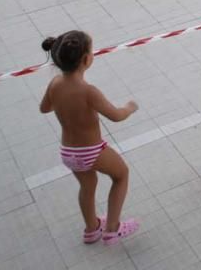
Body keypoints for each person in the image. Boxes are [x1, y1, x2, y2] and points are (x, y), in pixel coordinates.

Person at [39, 31, 139, 245]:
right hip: (91, 151)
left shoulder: (55, 84)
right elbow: (115, 116)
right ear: (86, 59)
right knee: (121, 175)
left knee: (88, 185)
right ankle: (112, 229)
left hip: (68, 152)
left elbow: (44, 108)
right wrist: (129, 108)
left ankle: (91, 229)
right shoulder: (88, 91)